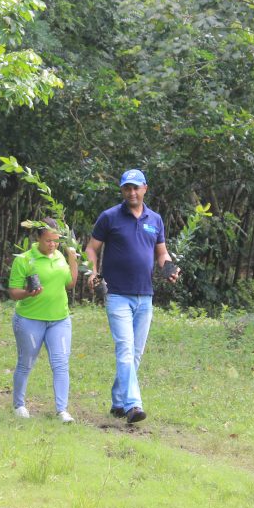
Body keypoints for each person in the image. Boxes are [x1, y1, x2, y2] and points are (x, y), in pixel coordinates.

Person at [84, 169, 179, 423]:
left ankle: (118, 401)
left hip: (145, 296)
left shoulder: (155, 219)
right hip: (116, 294)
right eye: (127, 188)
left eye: (136, 187)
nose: (132, 192)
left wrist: (168, 267)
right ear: (122, 190)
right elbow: (91, 248)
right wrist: (92, 273)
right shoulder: (110, 217)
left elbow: (161, 253)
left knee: (135, 353)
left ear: (145, 188)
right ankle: (133, 405)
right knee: (125, 350)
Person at [8, 218, 79, 423]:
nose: (53, 245)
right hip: (30, 319)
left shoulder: (59, 257)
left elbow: (70, 283)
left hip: (59, 319)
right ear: (38, 238)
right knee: (26, 362)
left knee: (61, 363)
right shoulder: (24, 259)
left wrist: (72, 259)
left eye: (56, 241)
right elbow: (13, 292)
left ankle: (62, 410)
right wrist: (28, 293)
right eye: (48, 241)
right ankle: (19, 404)